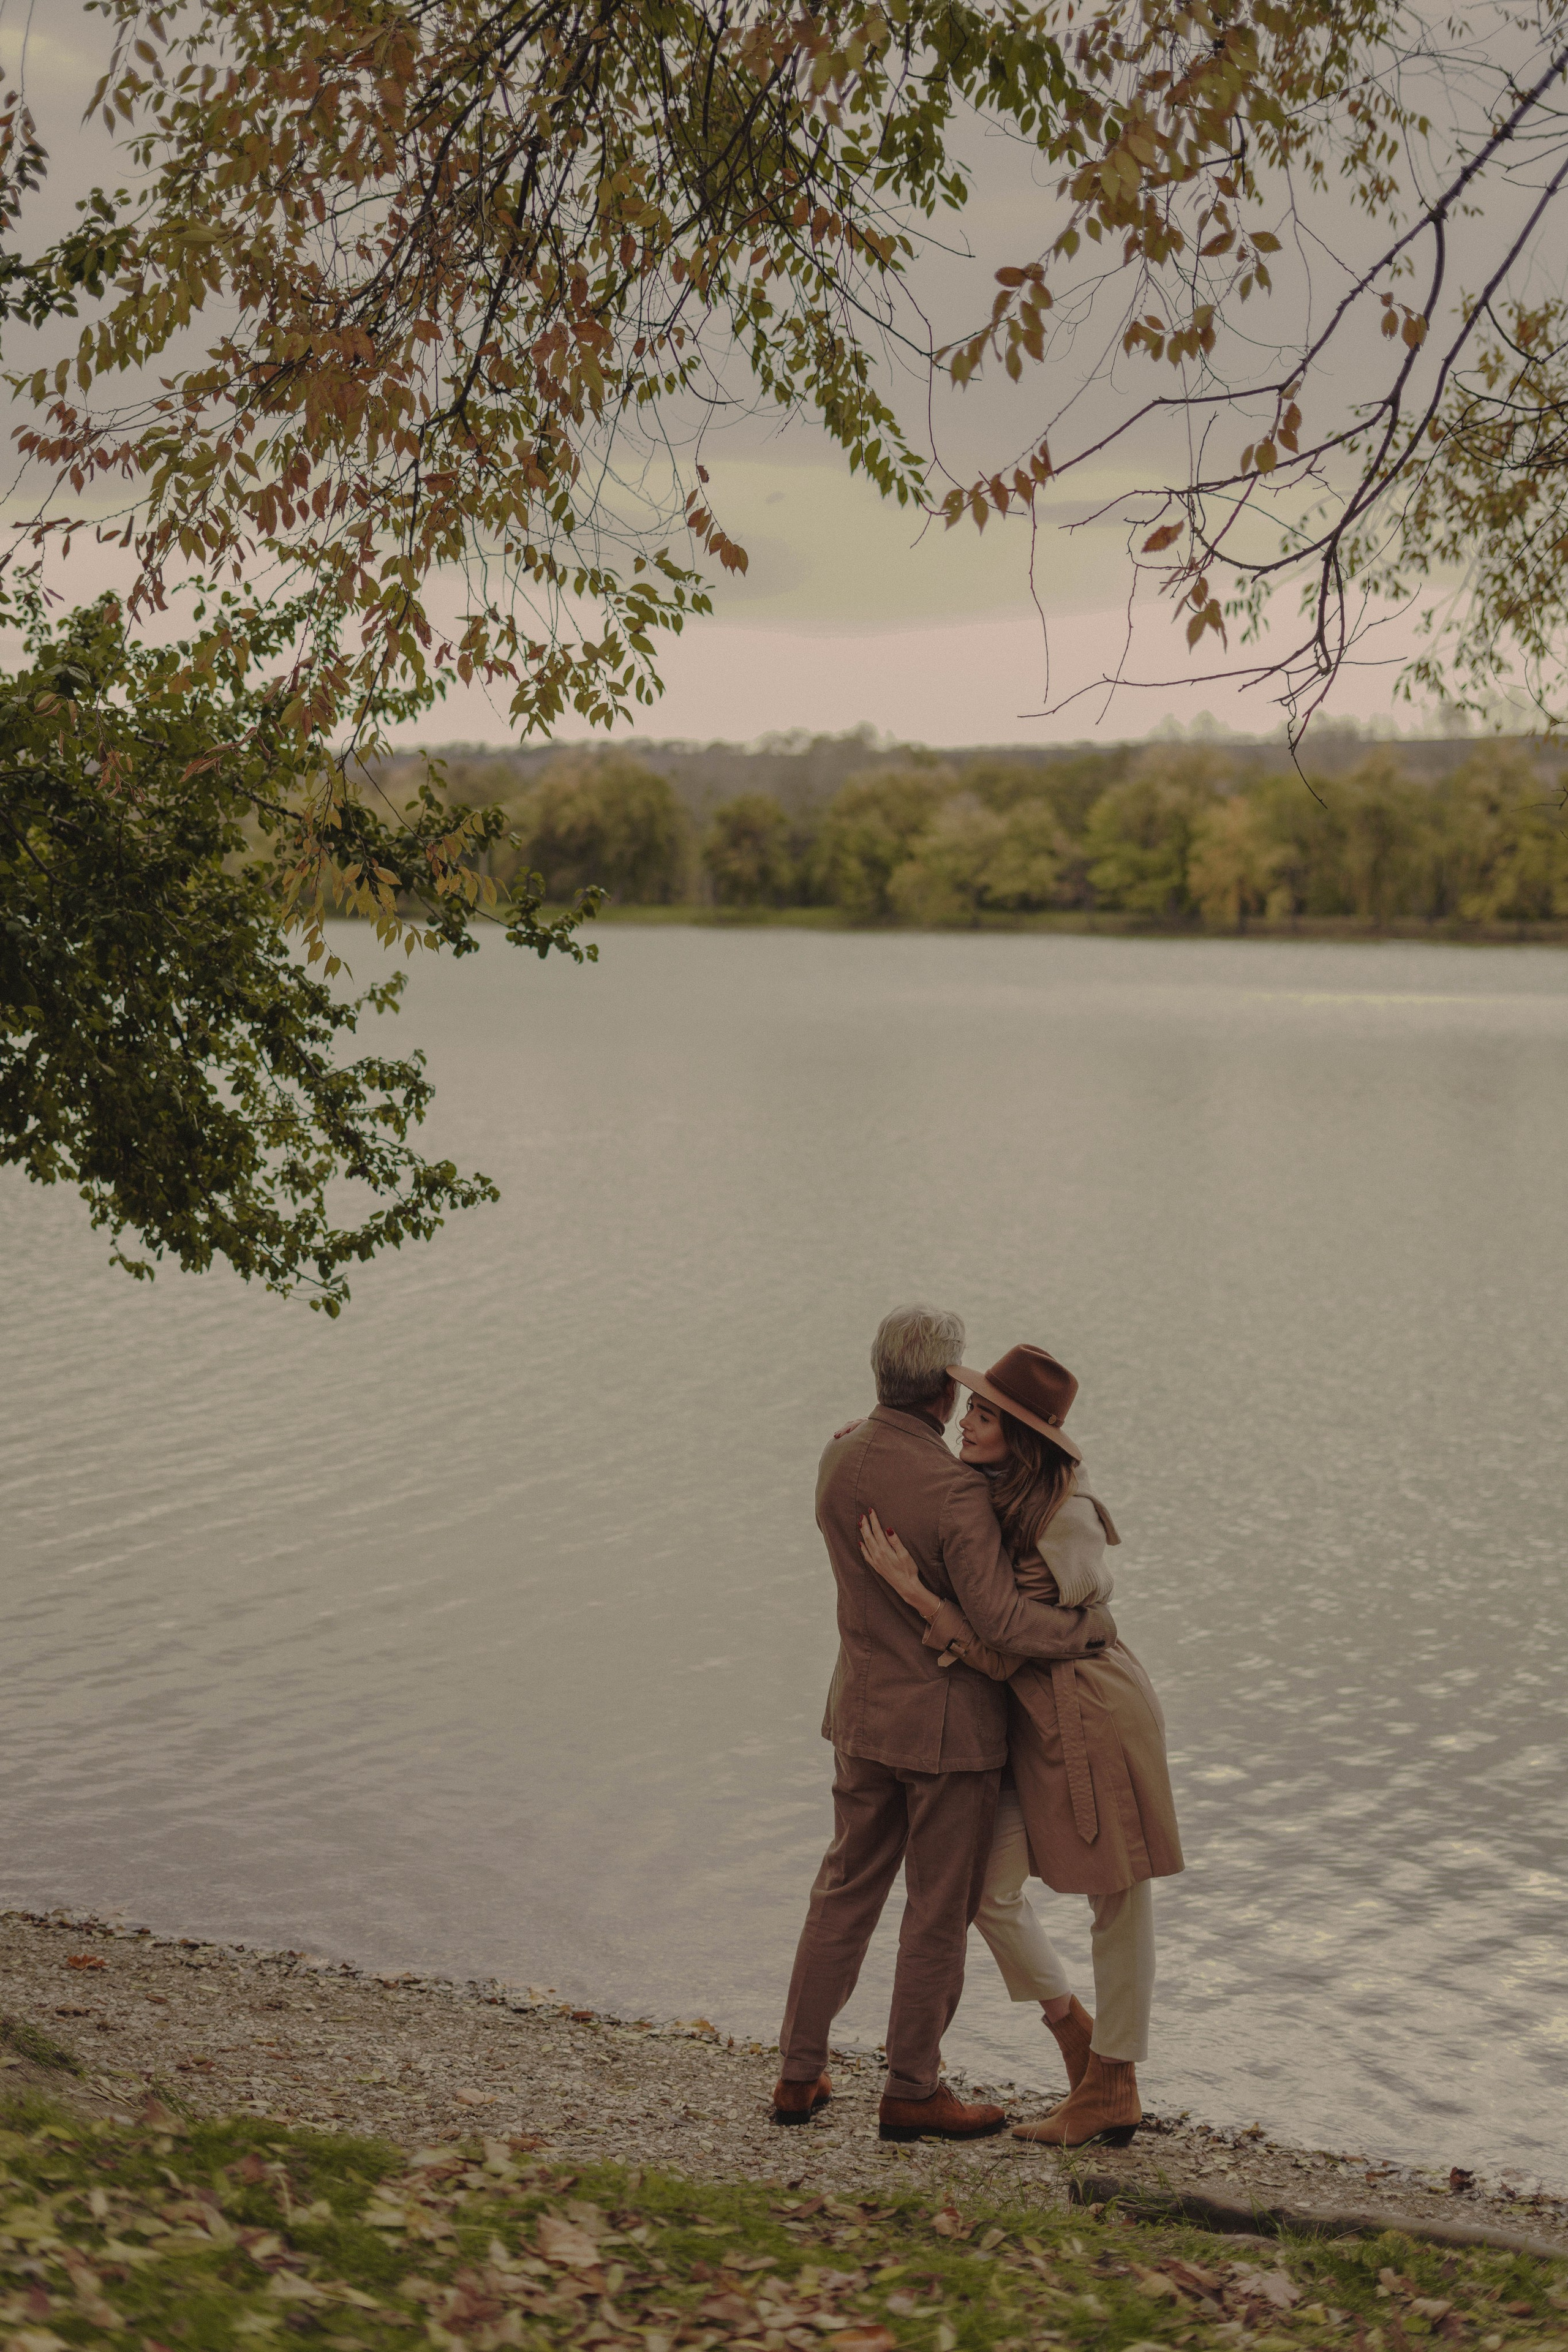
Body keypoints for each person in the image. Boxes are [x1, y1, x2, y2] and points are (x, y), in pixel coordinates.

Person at [773, 1307, 1117, 2144]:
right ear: (940, 1388)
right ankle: (912, 2088)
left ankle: (797, 2074)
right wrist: (1084, 1633)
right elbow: (1000, 1622)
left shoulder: (838, 1456)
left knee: (843, 1890)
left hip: (859, 1711)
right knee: (935, 1909)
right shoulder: (957, 1492)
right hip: (948, 1732)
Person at [859, 1342, 1183, 2150]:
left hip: (1096, 1711)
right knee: (986, 1889)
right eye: (969, 1410)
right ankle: (1076, 2033)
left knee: (1121, 1897)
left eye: (986, 1416)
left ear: (1026, 1437)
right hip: (1036, 1719)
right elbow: (1003, 1627)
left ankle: (1114, 2081)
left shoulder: (1064, 1515)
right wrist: (867, 1442)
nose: (967, 1424)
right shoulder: (993, 1489)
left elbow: (1008, 1643)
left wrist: (912, 1592)